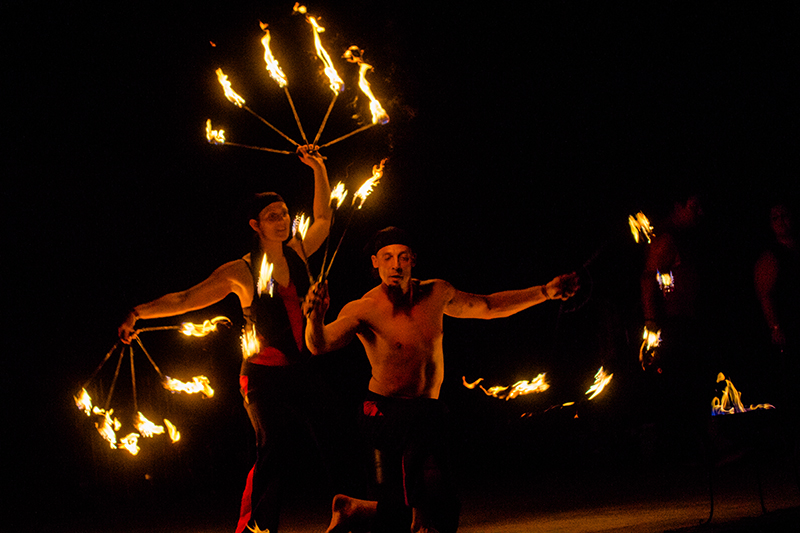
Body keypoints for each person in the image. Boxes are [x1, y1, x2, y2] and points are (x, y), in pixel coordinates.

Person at [303, 226, 580, 533]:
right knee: (429, 418)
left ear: (413, 261)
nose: (396, 264)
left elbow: (488, 306)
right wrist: (315, 317)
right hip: (381, 411)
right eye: (388, 257)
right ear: (375, 263)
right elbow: (319, 345)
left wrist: (545, 291)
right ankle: (420, 518)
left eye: (403, 257)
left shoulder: (436, 293)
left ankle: (355, 509)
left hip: (424, 414)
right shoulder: (364, 308)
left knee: (445, 513)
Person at [118, 145, 332, 533]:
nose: (283, 221)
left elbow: (322, 216)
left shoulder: (299, 251)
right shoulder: (241, 271)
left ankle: (352, 510)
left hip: (301, 371)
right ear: (256, 225)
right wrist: (138, 312)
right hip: (262, 376)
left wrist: (317, 167)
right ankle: (255, 528)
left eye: (284, 214)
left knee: (326, 441)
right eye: (273, 217)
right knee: (274, 447)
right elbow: (185, 298)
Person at [639, 193, 712, 462]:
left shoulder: (685, 238)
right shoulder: (667, 239)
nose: (700, 213)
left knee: (691, 387)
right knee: (680, 389)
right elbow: (648, 279)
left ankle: (691, 449)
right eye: (694, 207)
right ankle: (678, 453)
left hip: (686, 323)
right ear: (677, 205)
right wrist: (651, 325)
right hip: (674, 326)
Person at [754, 202, 799, 412]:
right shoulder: (771, 256)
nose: (781, 221)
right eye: (775, 217)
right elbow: (764, 294)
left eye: (785, 215)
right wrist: (775, 328)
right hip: (788, 328)